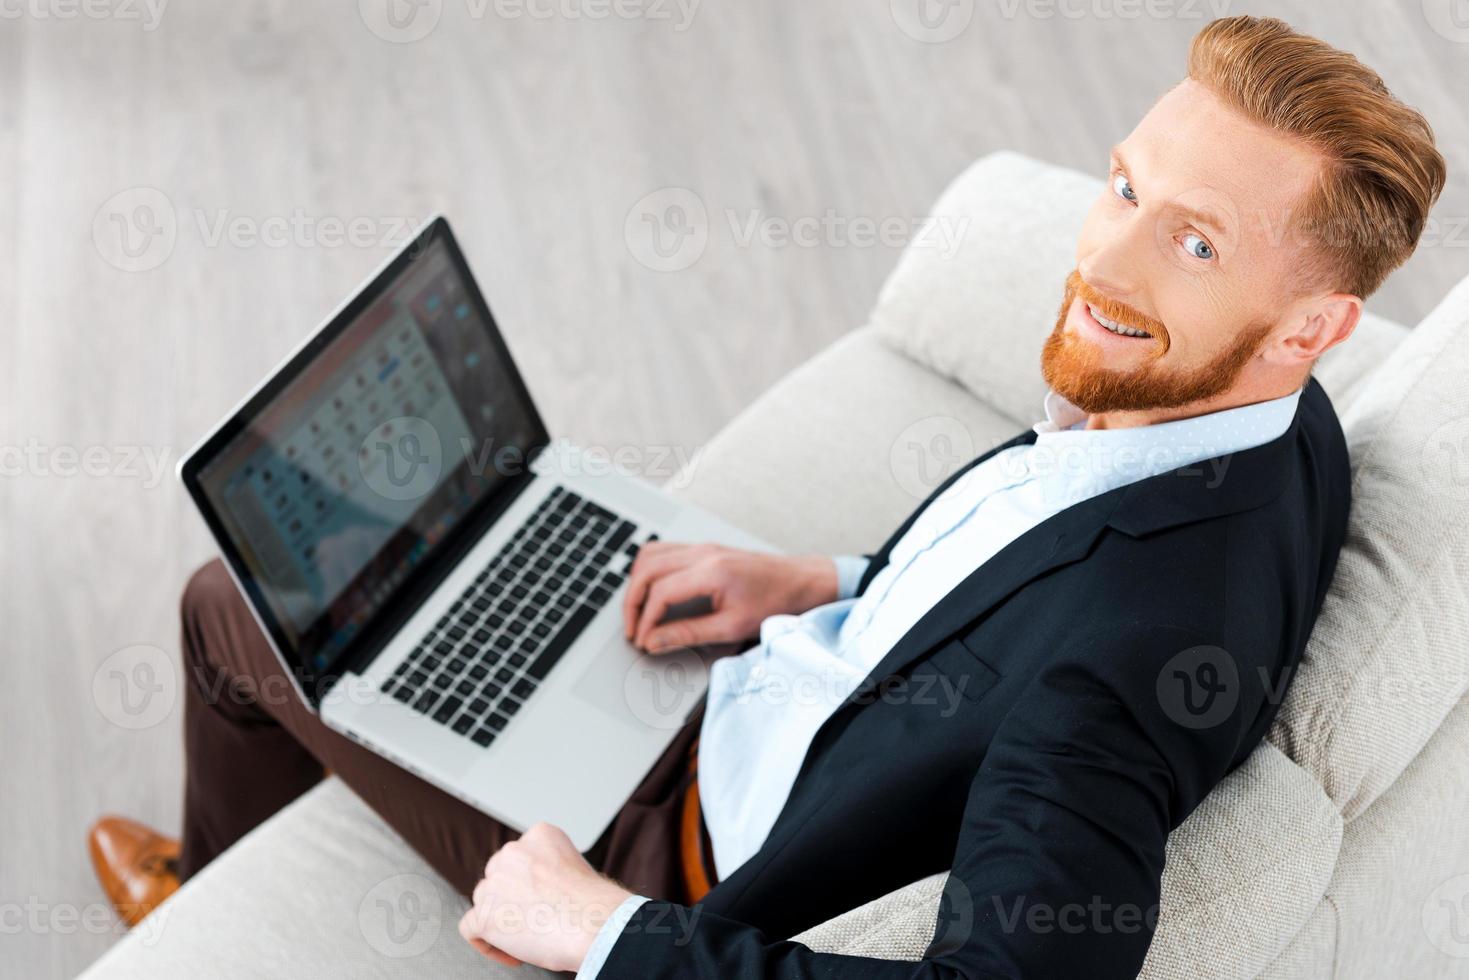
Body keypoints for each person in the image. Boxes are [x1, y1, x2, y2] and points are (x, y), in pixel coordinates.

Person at [90, 16, 1445, 978]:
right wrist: (821, 587)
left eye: (1193, 240)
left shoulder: (1122, 673)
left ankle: (189, 900)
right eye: (1125, 187)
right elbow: (1019, 586)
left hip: (674, 852)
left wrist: (600, 929)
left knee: (237, 606)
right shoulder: (1265, 422)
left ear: (1310, 326)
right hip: (779, 689)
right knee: (444, 557)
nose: (1103, 260)